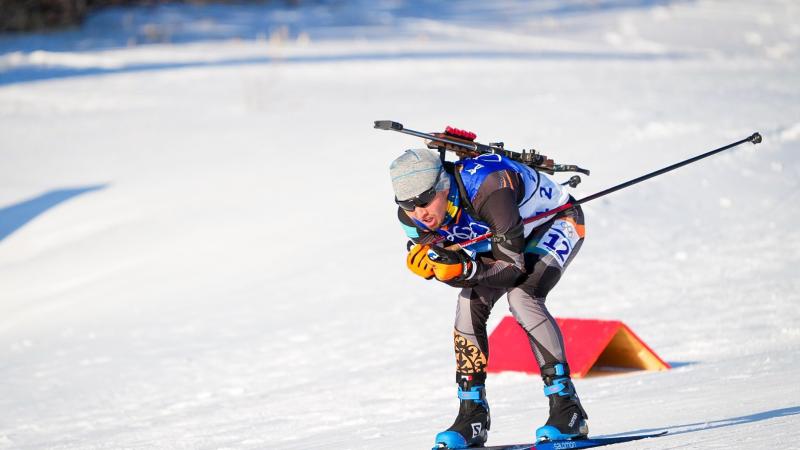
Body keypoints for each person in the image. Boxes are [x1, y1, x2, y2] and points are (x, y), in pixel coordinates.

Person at [389, 145, 589, 449]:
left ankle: (568, 408)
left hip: (555, 222)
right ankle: (472, 417)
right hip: (502, 242)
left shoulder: (488, 186)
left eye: (424, 200)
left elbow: (511, 268)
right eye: (407, 205)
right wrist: (439, 269)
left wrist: (463, 268)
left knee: (523, 297)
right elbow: (459, 271)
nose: (419, 213)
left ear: (443, 185)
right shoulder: (412, 220)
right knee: (469, 304)